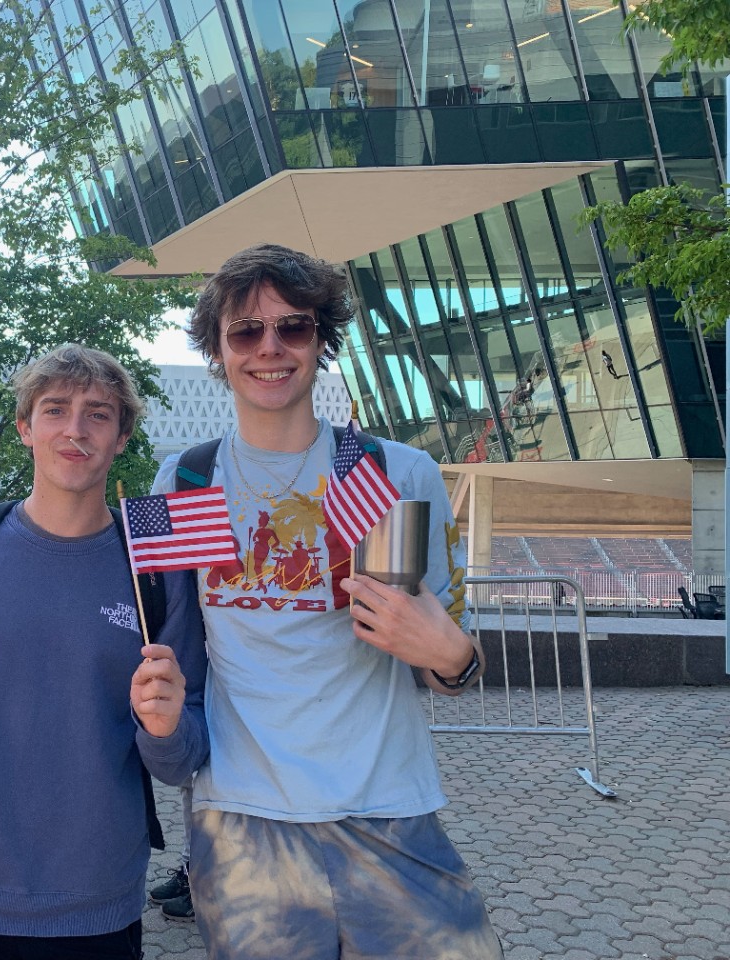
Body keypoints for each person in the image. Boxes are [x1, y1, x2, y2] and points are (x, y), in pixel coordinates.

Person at [152, 244, 502, 959]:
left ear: (322, 339)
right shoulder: (182, 480)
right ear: (218, 351)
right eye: (245, 331)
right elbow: (172, 636)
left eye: (294, 327)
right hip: (243, 820)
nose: (270, 348)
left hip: (388, 808)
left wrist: (456, 659)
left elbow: (443, 659)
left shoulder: (395, 473)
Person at [0, 343, 209, 959]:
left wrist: (165, 727)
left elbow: (183, 758)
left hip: (95, 907)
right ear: (25, 428)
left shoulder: (155, 574)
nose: (76, 430)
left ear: (122, 437)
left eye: (99, 414)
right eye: (56, 409)